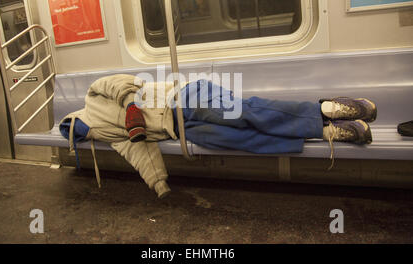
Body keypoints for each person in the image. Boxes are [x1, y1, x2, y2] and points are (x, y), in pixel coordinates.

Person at [59, 74, 376, 198]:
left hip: (183, 97)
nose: (83, 136)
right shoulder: (106, 135)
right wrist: (159, 184)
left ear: (75, 119)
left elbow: (119, 82)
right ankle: (327, 132)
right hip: (182, 130)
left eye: (76, 131)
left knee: (244, 112)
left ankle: (330, 109)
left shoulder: (92, 96)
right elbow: (137, 151)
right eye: (79, 138)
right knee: (243, 140)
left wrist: (131, 106)